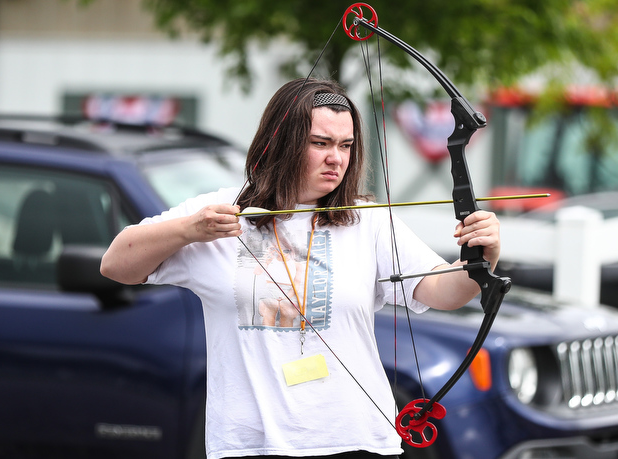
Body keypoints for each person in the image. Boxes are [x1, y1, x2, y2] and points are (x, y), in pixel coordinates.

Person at [100, 78, 502, 459]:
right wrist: (190, 230)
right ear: (281, 142)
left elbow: (443, 292)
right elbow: (116, 264)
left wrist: (481, 257)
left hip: (356, 441)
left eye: (346, 145)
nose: (336, 158)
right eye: (320, 143)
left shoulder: (366, 219)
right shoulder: (217, 215)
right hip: (248, 447)